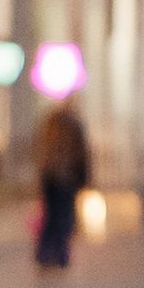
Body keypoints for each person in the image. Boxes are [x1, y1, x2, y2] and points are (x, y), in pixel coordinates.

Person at [33, 96, 91, 270]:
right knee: (63, 218)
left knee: (52, 217)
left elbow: (39, 150)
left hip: (49, 176)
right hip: (65, 177)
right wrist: (84, 178)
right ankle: (59, 256)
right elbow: (81, 154)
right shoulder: (73, 125)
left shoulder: (48, 123)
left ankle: (45, 255)